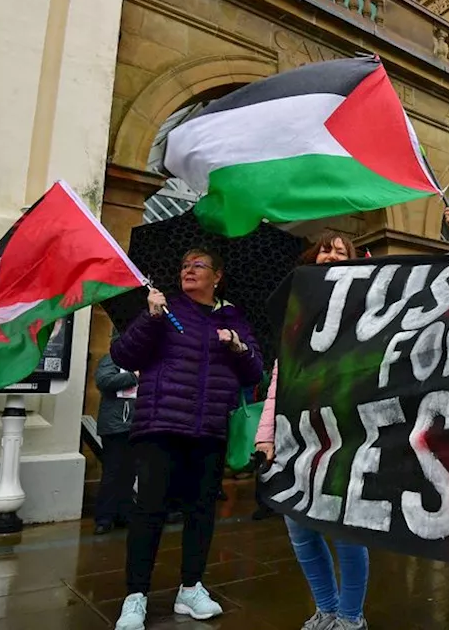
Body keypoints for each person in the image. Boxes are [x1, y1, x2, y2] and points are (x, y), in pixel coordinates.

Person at [110, 247, 264, 630]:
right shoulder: (164, 310)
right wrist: (150, 317)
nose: (188, 271)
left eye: (198, 265)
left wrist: (238, 347)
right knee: (149, 511)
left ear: (217, 276)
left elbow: (254, 373)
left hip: (209, 430)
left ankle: (191, 587)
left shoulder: (233, 317)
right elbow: (123, 355)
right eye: (184, 265)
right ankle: (135, 596)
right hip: (160, 425)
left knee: (201, 512)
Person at [255, 231, 371, 630]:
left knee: (345, 530)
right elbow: (278, 378)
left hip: (344, 434)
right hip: (295, 435)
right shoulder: (296, 313)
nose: (331, 256)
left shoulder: (365, 308)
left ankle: (351, 618)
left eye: (341, 252)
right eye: (325, 250)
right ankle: (327, 609)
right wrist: (265, 435)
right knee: (300, 527)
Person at [93, 343, 137, 535]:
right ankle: (104, 517)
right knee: (112, 473)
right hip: (115, 426)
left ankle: (124, 514)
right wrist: (134, 376)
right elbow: (103, 381)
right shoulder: (111, 358)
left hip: (134, 424)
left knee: (129, 472)